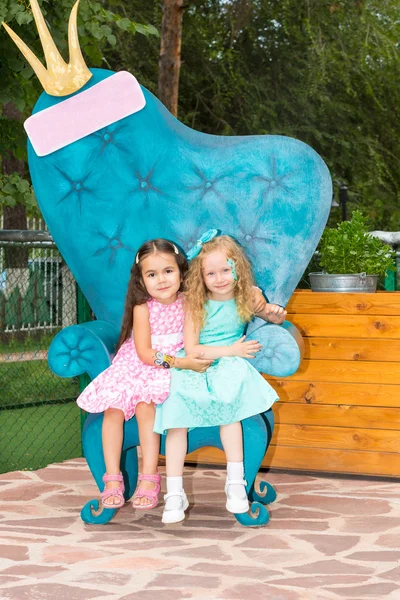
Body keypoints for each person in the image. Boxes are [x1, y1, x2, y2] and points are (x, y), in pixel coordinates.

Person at [154, 230, 287, 524]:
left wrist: (275, 312)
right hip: (198, 361)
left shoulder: (249, 295)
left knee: (230, 409)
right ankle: (174, 492)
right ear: (200, 277)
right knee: (176, 414)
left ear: (237, 267)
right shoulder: (194, 303)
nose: (220, 278)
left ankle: (235, 483)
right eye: (210, 273)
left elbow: (270, 314)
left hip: (228, 364)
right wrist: (231, 349)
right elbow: (192, 348)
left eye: (226, 270)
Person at [77, 238, 212, 510]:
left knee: (144, 405)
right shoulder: (143, 308)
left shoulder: (189, 303)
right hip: (143, 362)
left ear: (181, 271)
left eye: (168, 271)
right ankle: (112, 479)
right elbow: (144, 354)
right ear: (141, 280)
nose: (161, 280)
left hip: (166, 367)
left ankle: (149, 477)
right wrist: (180, 363)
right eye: (152, 274)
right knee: (113, 409)